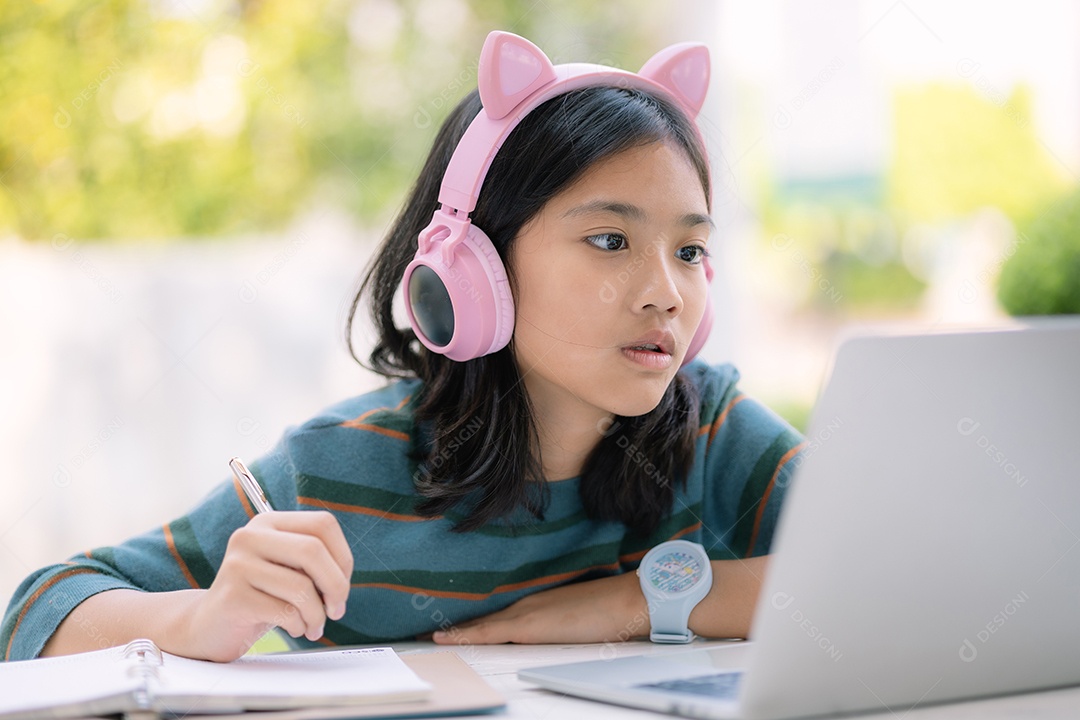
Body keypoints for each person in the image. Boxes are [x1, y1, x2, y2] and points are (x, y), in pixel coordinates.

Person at [1, 31, 804, 663]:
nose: (667, 291)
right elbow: (38, 611)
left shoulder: (713, 432)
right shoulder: (335, 476)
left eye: (689, 251)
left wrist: (632, 602)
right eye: (609, 240)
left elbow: (880, 570)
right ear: (473, 269)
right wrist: (198, 617)